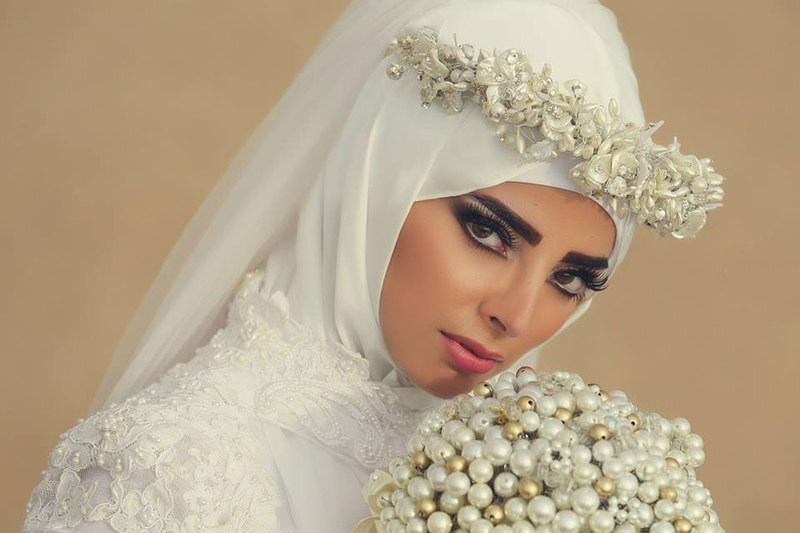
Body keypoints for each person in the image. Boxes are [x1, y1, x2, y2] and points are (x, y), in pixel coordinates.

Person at [21, 0, 724, 531]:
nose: (516, 314)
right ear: (376, 182)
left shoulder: (526, 484)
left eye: (569, 280)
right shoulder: (163, 467)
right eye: (488, 232)